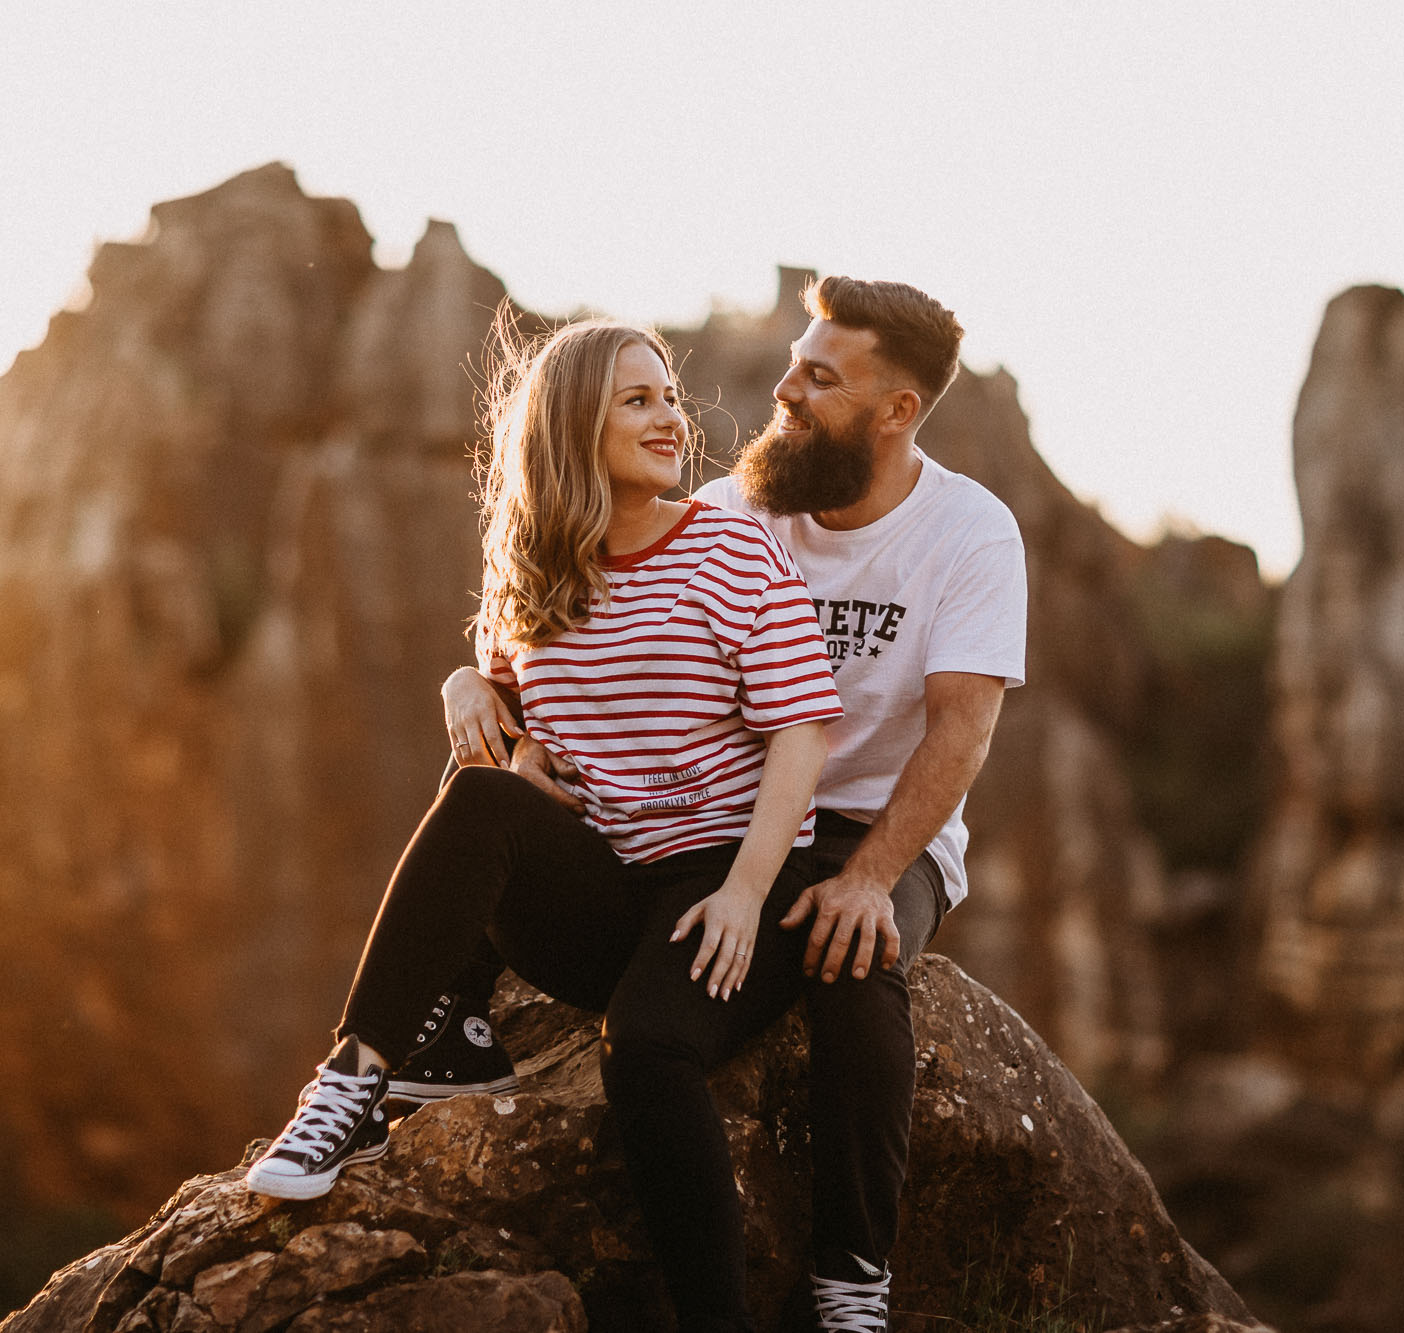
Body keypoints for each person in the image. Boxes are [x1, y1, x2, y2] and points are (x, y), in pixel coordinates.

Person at [245, 316, 843, 1331]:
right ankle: (353, 1083)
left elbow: (801, 731)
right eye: (636, 400)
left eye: (668, 396)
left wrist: (747, 891)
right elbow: (509, 728)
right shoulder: (531, 571)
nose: (670, 418)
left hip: (734, 878)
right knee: (479, 795)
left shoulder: (730, 549)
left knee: (646, 1045)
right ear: (573, 426)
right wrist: (463, 683)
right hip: (610, 888)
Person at [456, 276, 1026, 1331]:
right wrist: (473, 686)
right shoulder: (729, 512)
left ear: (895, 410)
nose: (784, 390)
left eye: (818, 377)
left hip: (872, 824)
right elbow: (561, 608)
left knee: (852, 961)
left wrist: (868, 880)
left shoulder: (968, 532)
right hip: (738, 814)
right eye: (793, 364)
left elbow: (960, 728)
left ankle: (851, 1282)